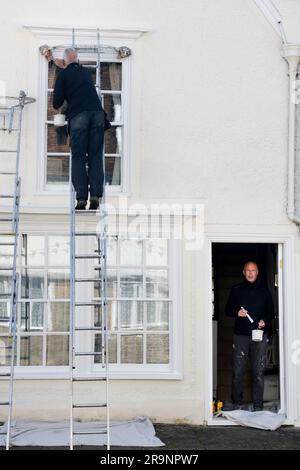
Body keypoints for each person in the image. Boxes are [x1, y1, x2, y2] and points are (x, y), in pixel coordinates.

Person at [53, 47, 111, 210]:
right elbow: (74, 69)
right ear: (77, 59)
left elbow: (56, 103)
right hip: (98, 115)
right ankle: (95, 196)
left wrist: (61, 74)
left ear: (64, 61)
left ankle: (81, 198)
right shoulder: (85, 72)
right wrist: (66, 66)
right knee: (95, 155)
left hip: (79, 116)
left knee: (78, 157)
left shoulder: (64, 74)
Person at [223, 261, 274, 412]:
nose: (251, 273)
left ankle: (258, 406)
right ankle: (237, 404)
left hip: (259, 335)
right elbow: (227, 310)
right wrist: (236, 313)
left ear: (257, 273)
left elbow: (271, 312)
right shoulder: (236, 290)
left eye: (253, 270)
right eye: (248, 270)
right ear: (244, 273)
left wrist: (265, 320)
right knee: (238, 371)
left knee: (258, 372)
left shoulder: (264, 291)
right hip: (241, 336)